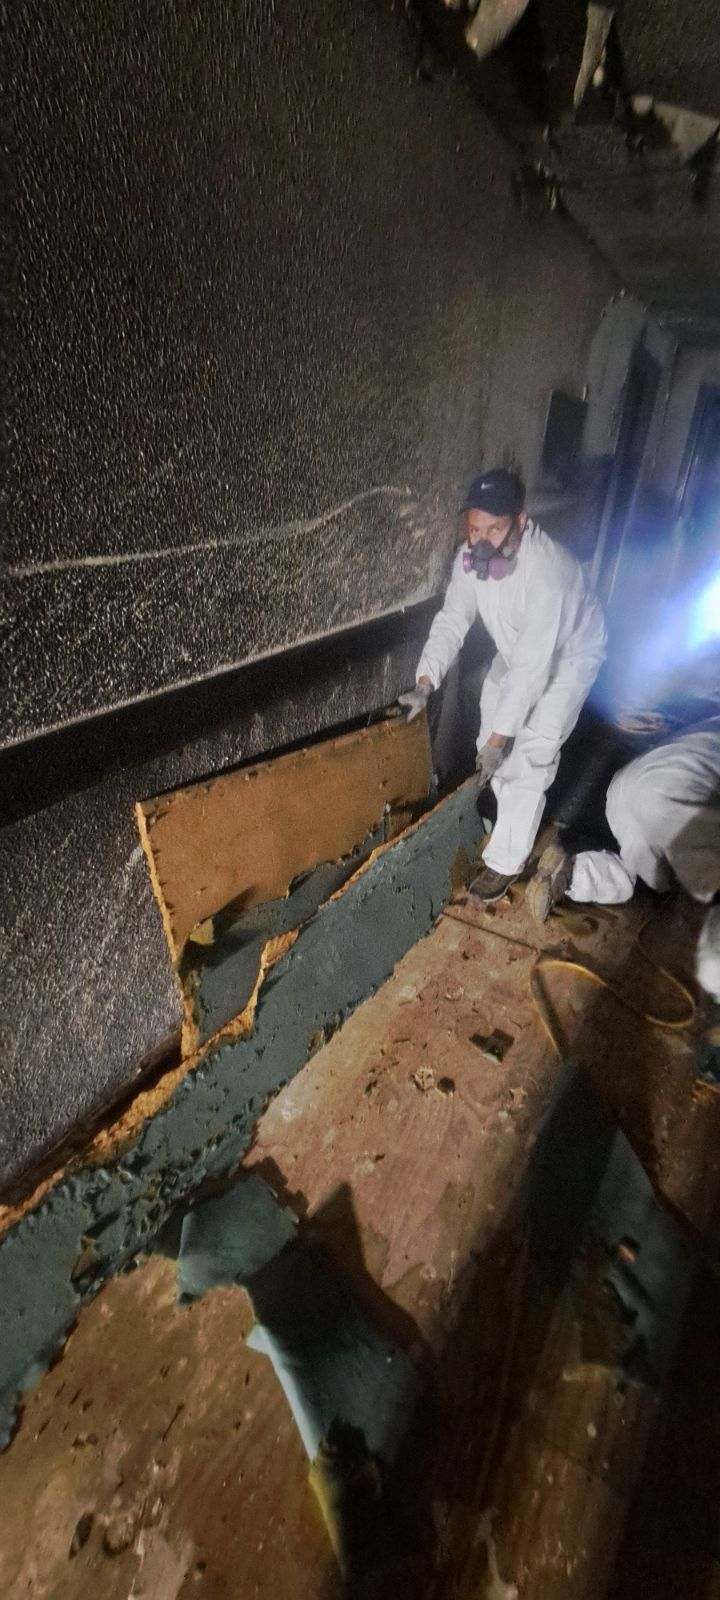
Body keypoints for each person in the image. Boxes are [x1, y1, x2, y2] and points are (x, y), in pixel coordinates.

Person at [400, 468, 607, 901]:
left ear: (521, 521)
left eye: (494, 528)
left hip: (567, 655)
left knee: (531, 750)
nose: (481, 540)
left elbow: (534, 669)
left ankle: (504, 862)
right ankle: (508, 808)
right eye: (475, 528)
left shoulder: (546, 573)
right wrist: (425, 680)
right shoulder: (469, 561)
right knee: (490, 741)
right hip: (518, 650)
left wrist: (501, 741)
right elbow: (454, 617)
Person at [532, 721, 720, 1001]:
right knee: (656, 884)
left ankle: (577, 873)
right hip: (661, 796)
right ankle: (583, 874)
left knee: (637, 852)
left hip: (633, 786)